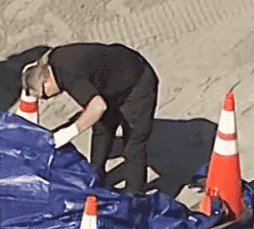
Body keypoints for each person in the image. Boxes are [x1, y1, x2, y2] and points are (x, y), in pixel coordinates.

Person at [22, 43, 159, 195]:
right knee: (102, 130)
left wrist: (68, 132)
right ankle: (96, 180)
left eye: (44, 95)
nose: (46, 99)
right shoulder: (51, 61)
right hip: (111, 78)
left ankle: (135, 198)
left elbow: (98, 106)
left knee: (133, 148)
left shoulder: (70, 77)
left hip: (137, 82)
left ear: (46, 79)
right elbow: (32, 69)